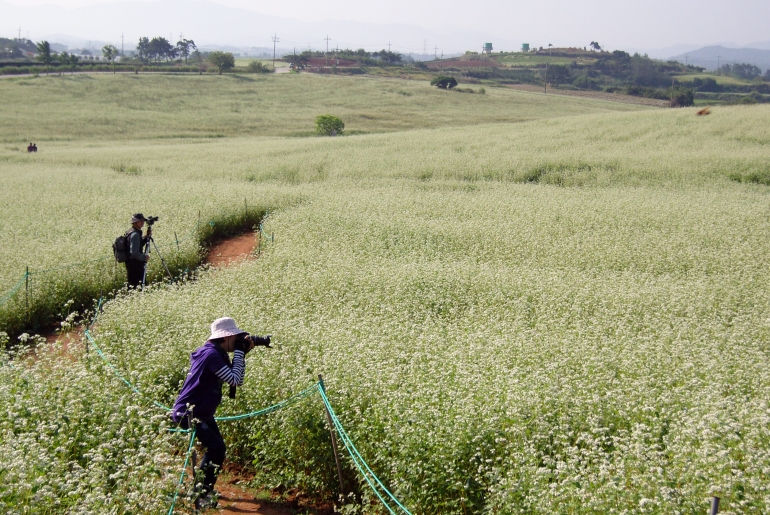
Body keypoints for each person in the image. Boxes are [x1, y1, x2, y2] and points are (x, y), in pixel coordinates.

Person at [171, 317, 271, 510]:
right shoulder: (211, 355)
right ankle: (201, 494)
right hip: (190, 412)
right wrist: (240, 353)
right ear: (225, 337)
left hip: (201, 411)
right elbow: (235, 380)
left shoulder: (213, 353)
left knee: (218, 448)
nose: (237, 341)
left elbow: (234, 376)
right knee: (216, 448)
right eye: (235, 337)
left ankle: (203, 489)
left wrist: (242, 353)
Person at [126, 213, 150, 288]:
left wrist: (146, 237)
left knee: (134, 285)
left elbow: (138, 245)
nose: (143, 222)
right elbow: (134, 252)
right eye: (140, 221)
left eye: (143, 221)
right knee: (137, 284)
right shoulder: (135, 234)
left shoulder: (132, 231)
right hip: (135, 264)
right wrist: (144, 257)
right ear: (135, 222)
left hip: (132, 263)